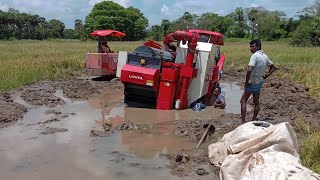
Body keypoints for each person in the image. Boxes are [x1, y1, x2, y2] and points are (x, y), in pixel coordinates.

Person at [240, 39, 277, 123]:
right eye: (250, 46)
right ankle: (254, 119)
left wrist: (246, 82)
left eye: (253, 46)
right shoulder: (265, 56)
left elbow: (249, 69)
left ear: (258, 46)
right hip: (259, 82)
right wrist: (266, 76)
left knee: (243, 100)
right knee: (256, 101)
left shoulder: (255, 56)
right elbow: (273, 67)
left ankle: (243, 121)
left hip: (251, 82)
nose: (251, 48)